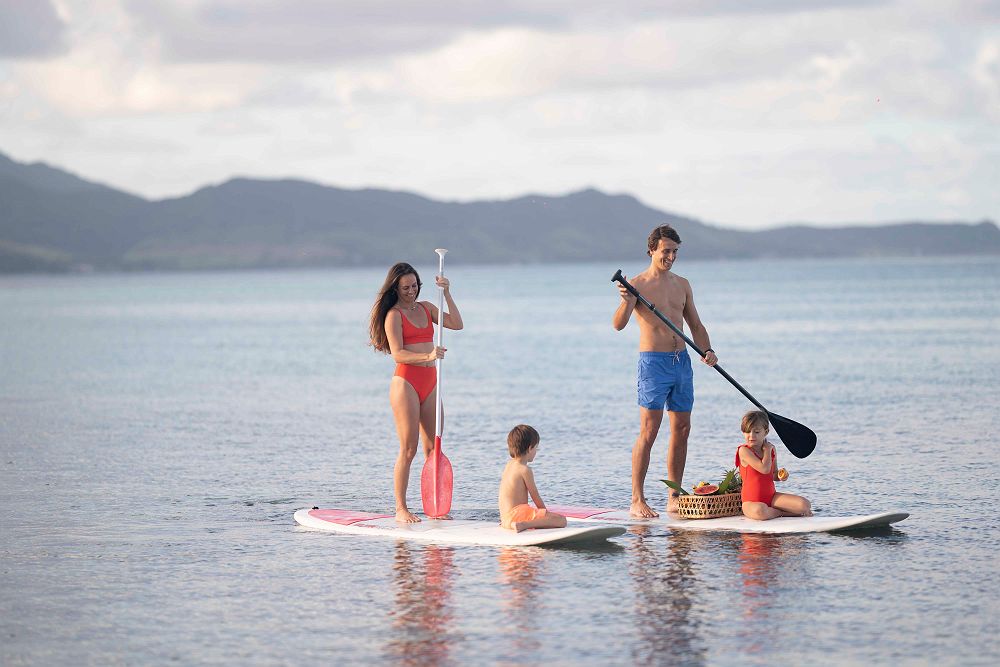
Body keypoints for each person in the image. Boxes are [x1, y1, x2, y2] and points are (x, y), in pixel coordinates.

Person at [613, 224, 718, 517]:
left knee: (682, 429)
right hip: (653, 364)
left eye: (675, 252)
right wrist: (626, 301)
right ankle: (637, 499)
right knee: (649, 431)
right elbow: (618, 324)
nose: (671, 257)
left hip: (681, 362)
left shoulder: (682, 284)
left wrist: (708, 350)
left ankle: (674, 496)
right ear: (651, 250)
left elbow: (695, 325)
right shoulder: (636, 285)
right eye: (666, 251)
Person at [369, 261, 463, 523]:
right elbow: (398, 354)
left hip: (431, 381)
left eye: (414, 286)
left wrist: (447, 293)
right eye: (405, 288)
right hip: (406, 383)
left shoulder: (427, 308)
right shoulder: (393, 315)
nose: (411, 291)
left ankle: (435, 508)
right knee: (408, 449)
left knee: (434, 447)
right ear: (395, 289)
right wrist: (428, 355)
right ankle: (401, 508)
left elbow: (457, 323)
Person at [736, 410, 812, 520]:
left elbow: (772, 474)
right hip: (750, 502)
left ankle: (774, 511)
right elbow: (764, 469)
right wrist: (767, 450)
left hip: (771, 497)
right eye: (747, 432)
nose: (751, 436)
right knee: (759, 511)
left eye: (756, 432)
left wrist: (781, 476)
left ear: (766, 432)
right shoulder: (744, 451)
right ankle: (781, 513)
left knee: (804, 505)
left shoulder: (772, 449)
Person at [499, 424, 567, 532]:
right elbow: (536, 497)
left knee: (531, 512)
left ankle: (517, 524)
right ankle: (524, 525)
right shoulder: (525, 470)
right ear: (530, 448)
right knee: (562, 520)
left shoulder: (509, 465)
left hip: (505, 519)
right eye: (536, 448)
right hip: (518, 516)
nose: (536, 451)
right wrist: (546, 515)